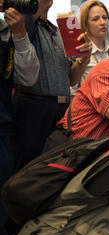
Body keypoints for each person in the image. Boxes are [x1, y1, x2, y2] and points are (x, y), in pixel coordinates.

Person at [11, 0, 92, 171]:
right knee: (29, 169)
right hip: (33, 107)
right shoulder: (23, 27)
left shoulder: (61, 29)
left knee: (57, 168)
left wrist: (84, 59)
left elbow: (71, 79)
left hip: (62, 109)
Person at [0, 0, 40, 235]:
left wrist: (19, 34)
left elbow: (28, 77)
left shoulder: (9, 31)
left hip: (2, 131)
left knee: (2, 212)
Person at [70, 0, 109, 97]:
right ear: (86, 24)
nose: (103, 22)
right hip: (86, 109)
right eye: (96, 19)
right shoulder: (80, 51)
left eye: (105, 18)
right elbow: (72, 91)